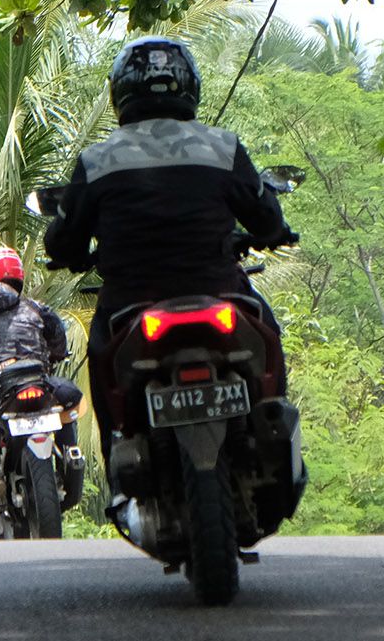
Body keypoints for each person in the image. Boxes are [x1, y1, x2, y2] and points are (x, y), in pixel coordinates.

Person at [43, 35, 296, 469]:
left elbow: (63, 240)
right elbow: (265, 216)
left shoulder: (97, 159)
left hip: (130, 301)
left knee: (102, 359)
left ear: (120, 91)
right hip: (218, 290)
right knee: (267, 332)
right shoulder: (223, 146)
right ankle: (272, 427)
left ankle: (120, 454)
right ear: (189, 86)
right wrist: (275, 233)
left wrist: (71, 253)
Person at [0, 245, 83, 444]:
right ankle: (71, 456)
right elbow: (58, 340)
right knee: (69, 403)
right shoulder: (37, 309)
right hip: (35, 380)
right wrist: (55, 355)